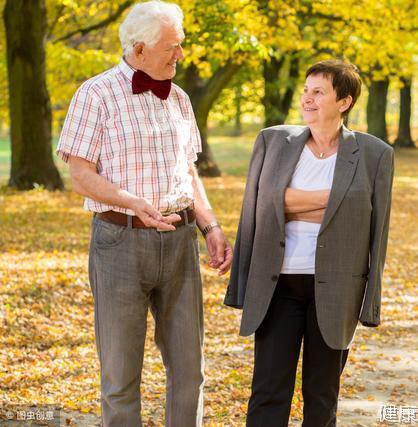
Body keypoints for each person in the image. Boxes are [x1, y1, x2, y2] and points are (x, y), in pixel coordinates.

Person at [55, 1, 232, 425]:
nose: (181, 55)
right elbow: (81, 175)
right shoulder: (95, 94)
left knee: (190, 372)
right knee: (120, 377)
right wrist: (130, 201)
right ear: (138, 50)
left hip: (179, 243)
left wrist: (210, 225)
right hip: (120, 244)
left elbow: (187, 171)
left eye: (181, 45)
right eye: (172, 47)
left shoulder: (181, 99)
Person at [225, 59, 394, 426]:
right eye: (306, 90)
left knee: (322, 397)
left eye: (319, 92)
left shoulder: (374, 154)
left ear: (344, 102)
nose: (308, 98)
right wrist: (335, 202)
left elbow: (376, 230)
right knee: (268, 392)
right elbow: (261, 208)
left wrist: (292, 203)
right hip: (277, 285)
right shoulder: (273, 141)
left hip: (336, 291)